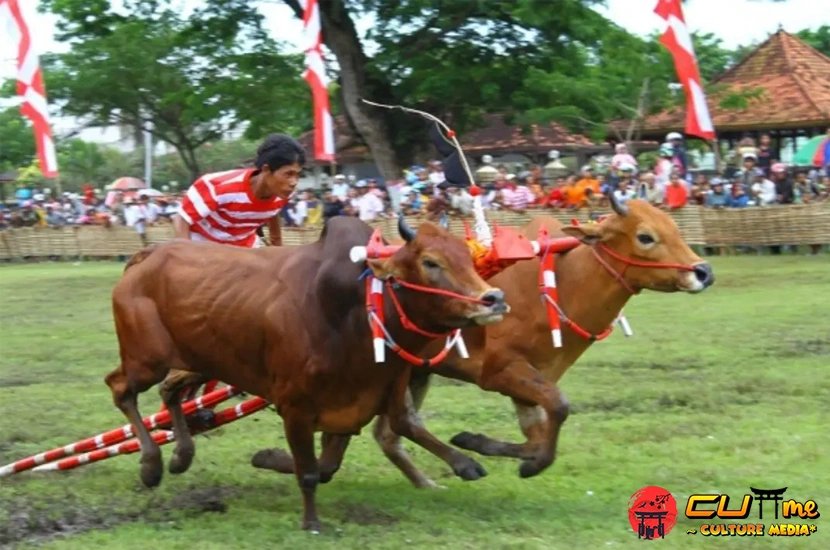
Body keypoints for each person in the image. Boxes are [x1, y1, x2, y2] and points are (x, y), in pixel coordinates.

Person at [173, 134, 305, 248]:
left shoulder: (283, 194)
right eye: (288, 174)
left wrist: (277, 252)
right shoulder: (217, 187)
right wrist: (186, 256)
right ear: (266, 170)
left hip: (243, 250)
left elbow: (273, 212)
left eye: (297, 175)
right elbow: (182, 218)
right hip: (203, 246)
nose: (294, 182)